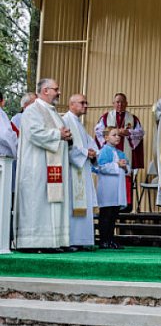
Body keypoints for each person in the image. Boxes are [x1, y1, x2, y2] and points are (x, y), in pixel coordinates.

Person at [14, 79, 73, 252]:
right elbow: (34, 133)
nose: (59, 92)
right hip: (36, 167)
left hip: (52, 167)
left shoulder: (53, 112)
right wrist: (58, 134)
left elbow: (60, 134)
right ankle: (33, 242)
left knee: (52, 203)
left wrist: (67, 137)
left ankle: (52, 241)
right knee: (37, 202)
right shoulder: (32, 110)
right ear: (45, 90)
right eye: (56, 89)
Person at [95, 93, 144, 211]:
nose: (120, 104)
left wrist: (129, 133)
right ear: (113, 103)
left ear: (127, 104)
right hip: (110, 153)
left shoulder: (132, 118)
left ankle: (125, 206)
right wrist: (112, 134)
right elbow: (98, 131)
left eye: (122, 102)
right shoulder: (106, 117)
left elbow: (140, 133)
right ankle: (111, 205)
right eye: (117, 102)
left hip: (125, 152)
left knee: (125, 174)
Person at [63, 94, 98, 250]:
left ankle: (82, 239)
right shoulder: (65, 121)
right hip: (72, 172)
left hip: (82, 169)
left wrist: (92, 152)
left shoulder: (78, 123)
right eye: (82, 103)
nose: (86, 105)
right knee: (72, 205)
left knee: (82, 205)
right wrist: (85, 153)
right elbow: (66, 148)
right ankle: (72, 240)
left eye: (86, 102)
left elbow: (90, 144)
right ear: (72, 104)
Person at [94, 128, 129, 249]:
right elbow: (100, 167)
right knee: (105, 215)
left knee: (114, 214)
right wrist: (117, 165)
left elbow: (127, 168)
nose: (118, 137)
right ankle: (103, 239)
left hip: (117, 188)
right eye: (114, 135)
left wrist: (125, 167)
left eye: (119, 135)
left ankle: (110, 239)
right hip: (107, 187)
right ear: (106, 137)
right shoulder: (104, 151)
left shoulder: (120, 152)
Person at [0, 91, 16, 158]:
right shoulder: (1, 114)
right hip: (3, 155)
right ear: (1, 100)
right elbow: (5, 134)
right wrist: (15, 150)